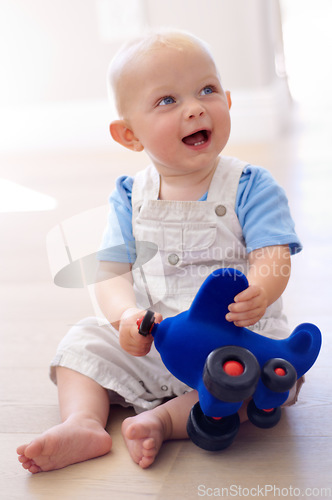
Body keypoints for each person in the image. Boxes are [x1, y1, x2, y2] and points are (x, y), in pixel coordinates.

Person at [17, 29, 303, 473]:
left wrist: (261, 291)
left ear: (227, 101)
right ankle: (84, 422)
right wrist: (126, 319)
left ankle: (164, 420)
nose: (195, 107)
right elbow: (111, 271)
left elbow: (274, 254)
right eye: (167, 101)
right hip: (156, 341)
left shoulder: (251, 186)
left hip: (236, 342)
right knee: (82, 343)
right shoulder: (130, 196)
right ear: (129, 135)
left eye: (207, 90)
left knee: (275, 379)